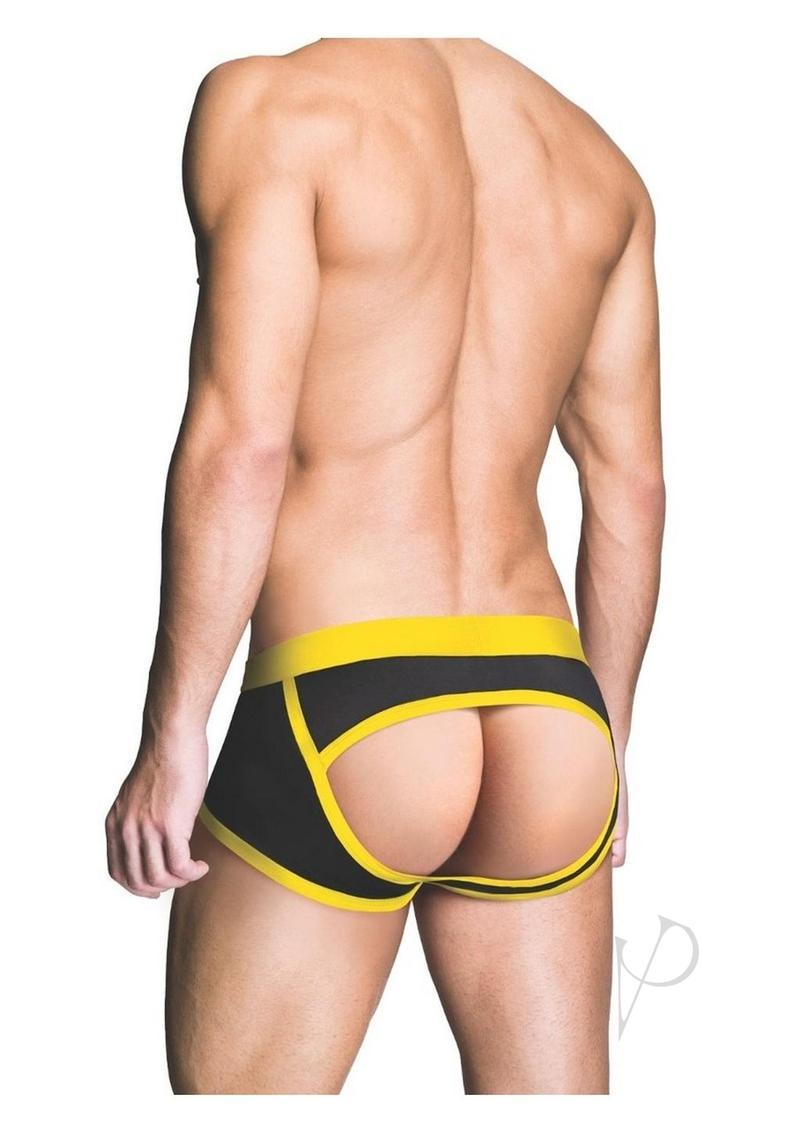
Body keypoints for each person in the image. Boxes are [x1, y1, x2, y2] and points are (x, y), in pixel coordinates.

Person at [105, 37, 664, 1095]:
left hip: (350, 697)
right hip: (549, 711)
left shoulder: (276, 105)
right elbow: (629, 484)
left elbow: (242, 443)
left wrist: (173, 733)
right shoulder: (592, 161)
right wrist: (613, 748)